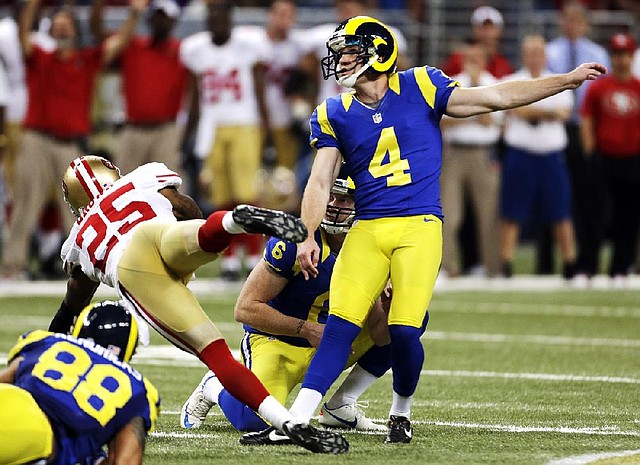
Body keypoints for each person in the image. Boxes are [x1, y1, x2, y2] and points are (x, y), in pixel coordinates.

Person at [289, 15, 605, 444]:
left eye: (350, 52)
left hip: (418, 226)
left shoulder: (421, 85)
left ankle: (401, 411)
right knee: (341, 327)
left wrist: (562, 81)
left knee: (404, 328)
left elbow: (494, 96)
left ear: (377, 55)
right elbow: (320, 180)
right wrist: (307, 233)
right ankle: (297, 419)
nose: (341, 61)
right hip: (368, 227)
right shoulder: (333, 112)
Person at [49, 155, 348, 454]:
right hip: (156, 232)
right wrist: (199, 235)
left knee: (217, 355)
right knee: (203, 236)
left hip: (134, 269)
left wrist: (54, 338)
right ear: (112, 173)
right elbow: (183, 205)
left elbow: (73, 302)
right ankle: (233, 222)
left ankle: (287, 424)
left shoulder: (78, 237)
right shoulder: (138, 179)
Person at [180, 177, 396, 441]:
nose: (332, 204)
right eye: (330, 196)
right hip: (279, 341)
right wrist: (306, 329)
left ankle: (341, 405)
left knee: (406, 323)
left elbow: (382, 336)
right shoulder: (298, 242)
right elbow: (246, 308)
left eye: (343, 198)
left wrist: (386, 305)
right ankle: (213, 385)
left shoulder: (374, 245)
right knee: (254, 419)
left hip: (331, 340)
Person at [0, 0, 145, 280]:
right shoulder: (40, 56)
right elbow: (22, 36)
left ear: (74, 29)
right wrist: (32, 4)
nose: (62, 25)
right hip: (36, 140)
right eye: (57, 22)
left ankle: (82, 271)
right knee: (25, 206)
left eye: (66, 21)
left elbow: (118, 44)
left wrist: (135, 14)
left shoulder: (87, 60)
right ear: (50, 29)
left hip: (70, 144)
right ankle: (11, 269)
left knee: (80, 211)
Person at [0, 300, 159, 464]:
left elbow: (7, 377)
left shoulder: (48, 342)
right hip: (33, 434)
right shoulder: (138, 391)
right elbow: (123, 462)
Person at [180, 0, 273, 280]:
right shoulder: (196, 50)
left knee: (246, 196)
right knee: (221, 198)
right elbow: (195, 96)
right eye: (212, 17)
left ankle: (255, 255)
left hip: (244, 123)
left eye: (221, 18)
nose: (216, 23)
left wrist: (266, 134)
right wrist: (188, 133)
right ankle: (231, 259)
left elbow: (259, 90)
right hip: (212, 126)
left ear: (230, 20)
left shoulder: (247, 47)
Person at [498, 35, 577, 279]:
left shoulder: (557, 80)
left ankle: (570, 265)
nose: (534, 57)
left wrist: (528, 111)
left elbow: (563, 112)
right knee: (512, 213)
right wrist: (545, 112)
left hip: (551, 157)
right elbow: (513, 109)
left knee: (561, 213)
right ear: (523, 55)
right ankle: (506, 265)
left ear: (545, 55)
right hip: (521, 156)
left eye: (538, 52)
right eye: (530, 52)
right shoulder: (512, 81)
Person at [545, 1, 611, 278]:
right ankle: (547, 263)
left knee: (587, 196)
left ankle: (587, 261)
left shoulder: (597, 53)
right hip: (555, 127)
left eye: (576, 20)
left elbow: (603, 91)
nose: (571, 25)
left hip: (586, 127)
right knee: (554, 198)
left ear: (586, 24)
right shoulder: (550, 52)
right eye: (567, 19)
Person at [94, 0, 188, 178]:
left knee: (167, 189)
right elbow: (99, 36)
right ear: (149, 19)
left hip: (166, 130)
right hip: (133, 129)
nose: (160, 22)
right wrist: (133, 14)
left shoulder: (182, 51)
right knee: (124, 186)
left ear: (174, 21)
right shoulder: (133, 46)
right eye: (156, 16)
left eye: (165, 17)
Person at [580, 32, 640, 287]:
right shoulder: (599, 87)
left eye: (625, 54)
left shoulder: (638, 87)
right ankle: (588, 267)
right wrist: (590, 153)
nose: (621, 60)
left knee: (628, 217)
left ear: (631, 56)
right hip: (603, 157)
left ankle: (621, 267)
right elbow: (587, 119)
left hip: (632, 158)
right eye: (617, 54)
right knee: (593, 214)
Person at [439, 41, 501, 278]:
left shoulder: (493, 83)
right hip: (454, 151)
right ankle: (445, 267)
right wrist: (474, 113)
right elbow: (443, 122)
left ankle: (491, 268)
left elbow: (491, 121)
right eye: (470, 57)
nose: (474, 61)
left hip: (483, 151)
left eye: (478, 57)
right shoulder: (451, 83)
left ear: (484, 59)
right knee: (449, 212)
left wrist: (464, 112)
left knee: (488, 212)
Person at [441, 6, 513, 79]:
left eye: (491, 28)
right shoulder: (457, 59)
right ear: (474, 30)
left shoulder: (503, 64)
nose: (487, 33)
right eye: (483, 28)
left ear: (500, 31)